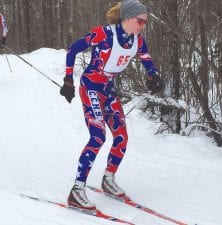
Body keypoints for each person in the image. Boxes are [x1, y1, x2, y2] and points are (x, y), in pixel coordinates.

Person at [60, 0, 163, 210]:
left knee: (121, 136)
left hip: (108, 91)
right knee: (98, 137)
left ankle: (108, 179)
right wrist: (68, 80)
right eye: (140, 21)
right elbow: (73, 50)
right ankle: (77, 190)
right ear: (127, 18)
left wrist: (153, 76)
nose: (143, 25)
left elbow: (146, 60)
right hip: (90, 88)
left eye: (145, 22)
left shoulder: (137, 40)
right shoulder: (103, 34)